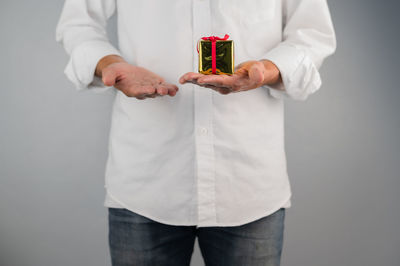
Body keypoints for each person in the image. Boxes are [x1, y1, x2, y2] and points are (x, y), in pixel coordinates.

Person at [56, 0, 336, 265]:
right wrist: (108, 62)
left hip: (248, 184)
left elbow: (312, 35)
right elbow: (78, 24)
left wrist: (269, 69)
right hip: (146, 182)